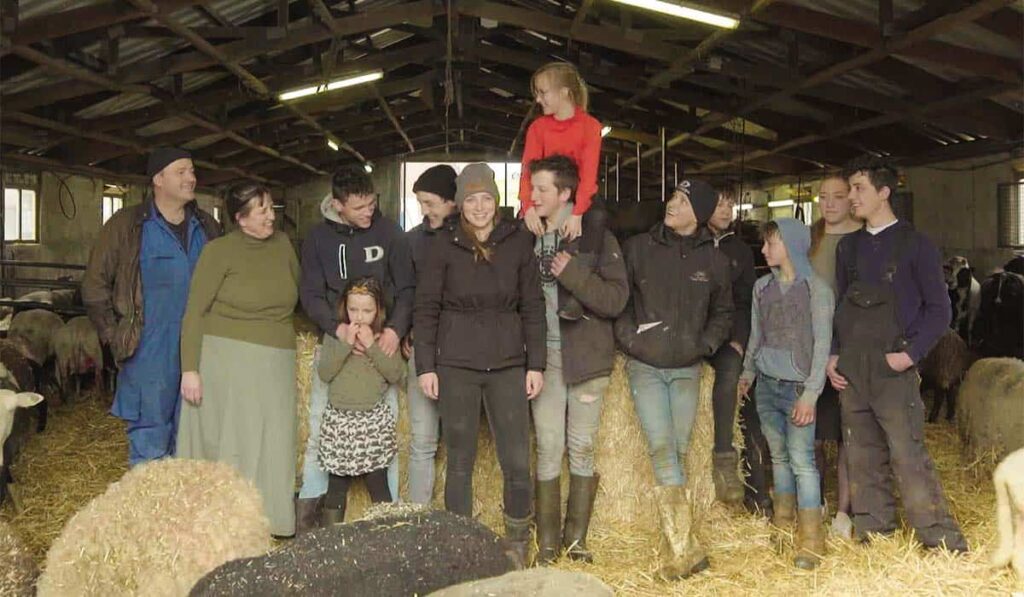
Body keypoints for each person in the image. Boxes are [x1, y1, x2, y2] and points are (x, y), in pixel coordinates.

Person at [827, 156, 968, 552]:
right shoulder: (848, 249)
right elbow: (841, 304)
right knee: (861, 453)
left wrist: (911, 354)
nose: (851, 197)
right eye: (850, 189)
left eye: (859, 189)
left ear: (884, 192)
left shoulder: (916, 244)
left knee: (907, 455)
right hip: (853, 368)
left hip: (894, 368)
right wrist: (834, 354)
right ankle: (876, 532)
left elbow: (940, 310)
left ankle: (941, 541)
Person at [414, 163, 546, 565]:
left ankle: (518, 540)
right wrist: (426, 366)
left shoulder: (518, 243)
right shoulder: (442, 245)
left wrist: (535, 364)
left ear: (496, 200)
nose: (479, 207)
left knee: (517, 458)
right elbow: (426, 308)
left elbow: (534, 308)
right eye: (471, 199)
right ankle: (460, 543)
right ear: (460, 203)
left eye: (486, 198)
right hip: (456, 365)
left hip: (507, 364)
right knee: (460, 459)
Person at [615, 179, 733, 580]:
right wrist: (631, 341)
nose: (672, 204)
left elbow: (724, 311)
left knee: (680, 452)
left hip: (686, 366)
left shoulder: (713, 261)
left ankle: (676, 549)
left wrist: (705, 345)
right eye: (673, 197)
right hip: (645, 366)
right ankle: (685, 550)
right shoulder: (638, 248)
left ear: (698, 214)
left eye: (682, 201)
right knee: (662, 448)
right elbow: (621, 301)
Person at [82, 147, 220, 466]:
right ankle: (150, 511)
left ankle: (183, 512)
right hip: (147, 349)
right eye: (182, 171)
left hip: (199, 347)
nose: (192, 177)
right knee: (150, 437)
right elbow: (94, 285)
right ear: (159, 179)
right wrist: (113, 335)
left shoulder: (208, 226)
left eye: (192, 170)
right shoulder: (127, 227)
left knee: (192, 436)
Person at [296, 167, 414, 533]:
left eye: (372, 203)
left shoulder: (389, 231)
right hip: (336, 339)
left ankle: (388, 518)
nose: (369, 212)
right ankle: (312, 523)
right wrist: (339, 330)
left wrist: (395, 329)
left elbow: (408, 287)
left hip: (382, 342)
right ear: (337, 205)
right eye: (360, 206)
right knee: (319, 432)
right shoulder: (317, 239)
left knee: (387, 432)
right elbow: (310, 294)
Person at [177, 182, 299, 536]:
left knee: (273, 439)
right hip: (224, 360)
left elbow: (298, 290)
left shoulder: (284, 245)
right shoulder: (218, 252)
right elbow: (194, 312)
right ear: (240, 219)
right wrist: (190, 369)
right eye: (260, 209)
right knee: (229, 438)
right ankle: (220, 523)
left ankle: (271, 520)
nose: (269, 214)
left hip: (277, 359)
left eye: (270, 206)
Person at [527, 155, 628, 564]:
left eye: (541, 190)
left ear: (566, 193)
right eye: (532, 189)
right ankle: (548, 543)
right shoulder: (527, 236)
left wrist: (574, 275)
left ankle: (576, 541)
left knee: (581, 446)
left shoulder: (596, 237)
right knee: (549, 445)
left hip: (586, 355)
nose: (532, 197)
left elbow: (616, 300)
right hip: (544, 358)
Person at [738, 218, 834, 569]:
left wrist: (811, 394)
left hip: (797, 390)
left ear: (791, 245)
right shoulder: (761, 287)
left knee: (802, 462)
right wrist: (748, 372)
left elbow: (822, 345)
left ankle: (811, 540)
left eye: (771, 244)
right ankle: (782, 525)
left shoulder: (817, 291)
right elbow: (756, 334)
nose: (764, 250)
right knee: (778, 457)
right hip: (767, 384)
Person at [518, 61, 605, 321]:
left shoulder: (590, 126)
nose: (538, 98)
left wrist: (578, 212)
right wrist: (527, 207)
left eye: (543, 92)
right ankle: (520, 294)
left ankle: (577, 295)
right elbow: (527, 170)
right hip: (547, 195)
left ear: (565, 92)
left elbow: (589, 173)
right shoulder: (538, 128)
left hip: (580, 194)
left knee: (598, 220)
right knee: (520, 232)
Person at [318, 277, 406, 525]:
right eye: (352, 309)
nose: (359, 317)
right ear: (343, 307)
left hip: (371, 424)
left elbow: (395, 374)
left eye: (367, 311)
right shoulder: (336, 336)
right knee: (336, 486)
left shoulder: (385, 340)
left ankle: (390, 535)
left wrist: (371, 346)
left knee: (378, 485)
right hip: (340, 423)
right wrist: (346, 343)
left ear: (378, 309)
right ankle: (330, 542)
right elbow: (325, 373)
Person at [808, 174, 862, 539]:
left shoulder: (862, 240)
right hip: (811, 347)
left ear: (851, 199)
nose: (829, 204)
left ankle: (844, 511)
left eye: (838, 197)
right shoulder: (812, 237)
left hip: (849, 347)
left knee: (849, 433)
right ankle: (816, 501)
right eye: (823, 197)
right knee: (809, 427)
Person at [403, 165, 459, 505]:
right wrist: (405, 329)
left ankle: (454, 520)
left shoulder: (470, 240)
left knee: (457, 442)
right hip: (422, 350)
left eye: (430, 202)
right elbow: (406, 292)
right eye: (421, 203)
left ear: (452, 201)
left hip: (459, 354)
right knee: (422, 440)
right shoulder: (411, 241)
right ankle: (418, 516)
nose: (425, 211)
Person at [706, 185, 756, 505]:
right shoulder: (689, 243)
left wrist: (739, 340)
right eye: (719, 204)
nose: (726, 211)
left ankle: (724, 457)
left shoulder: (740, 251)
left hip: (725, 337)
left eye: (730, 205)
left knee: (727, 378)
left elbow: (746, 302)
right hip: (689, 335)